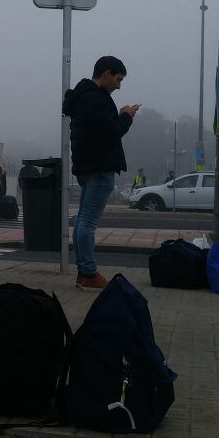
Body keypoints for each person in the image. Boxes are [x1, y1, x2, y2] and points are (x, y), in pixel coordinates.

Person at [62, 56, 139, 290]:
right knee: (87, 223)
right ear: (106, 73)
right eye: (118, 79)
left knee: (82, 221)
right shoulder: (96, 98)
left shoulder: (84, 96)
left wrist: (120, 115)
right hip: (100, 167)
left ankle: (83, 272)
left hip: (87, 166)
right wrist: (126, 116)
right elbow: (111, 132)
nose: (119, 85)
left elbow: (99, 130)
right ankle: (88, 273)